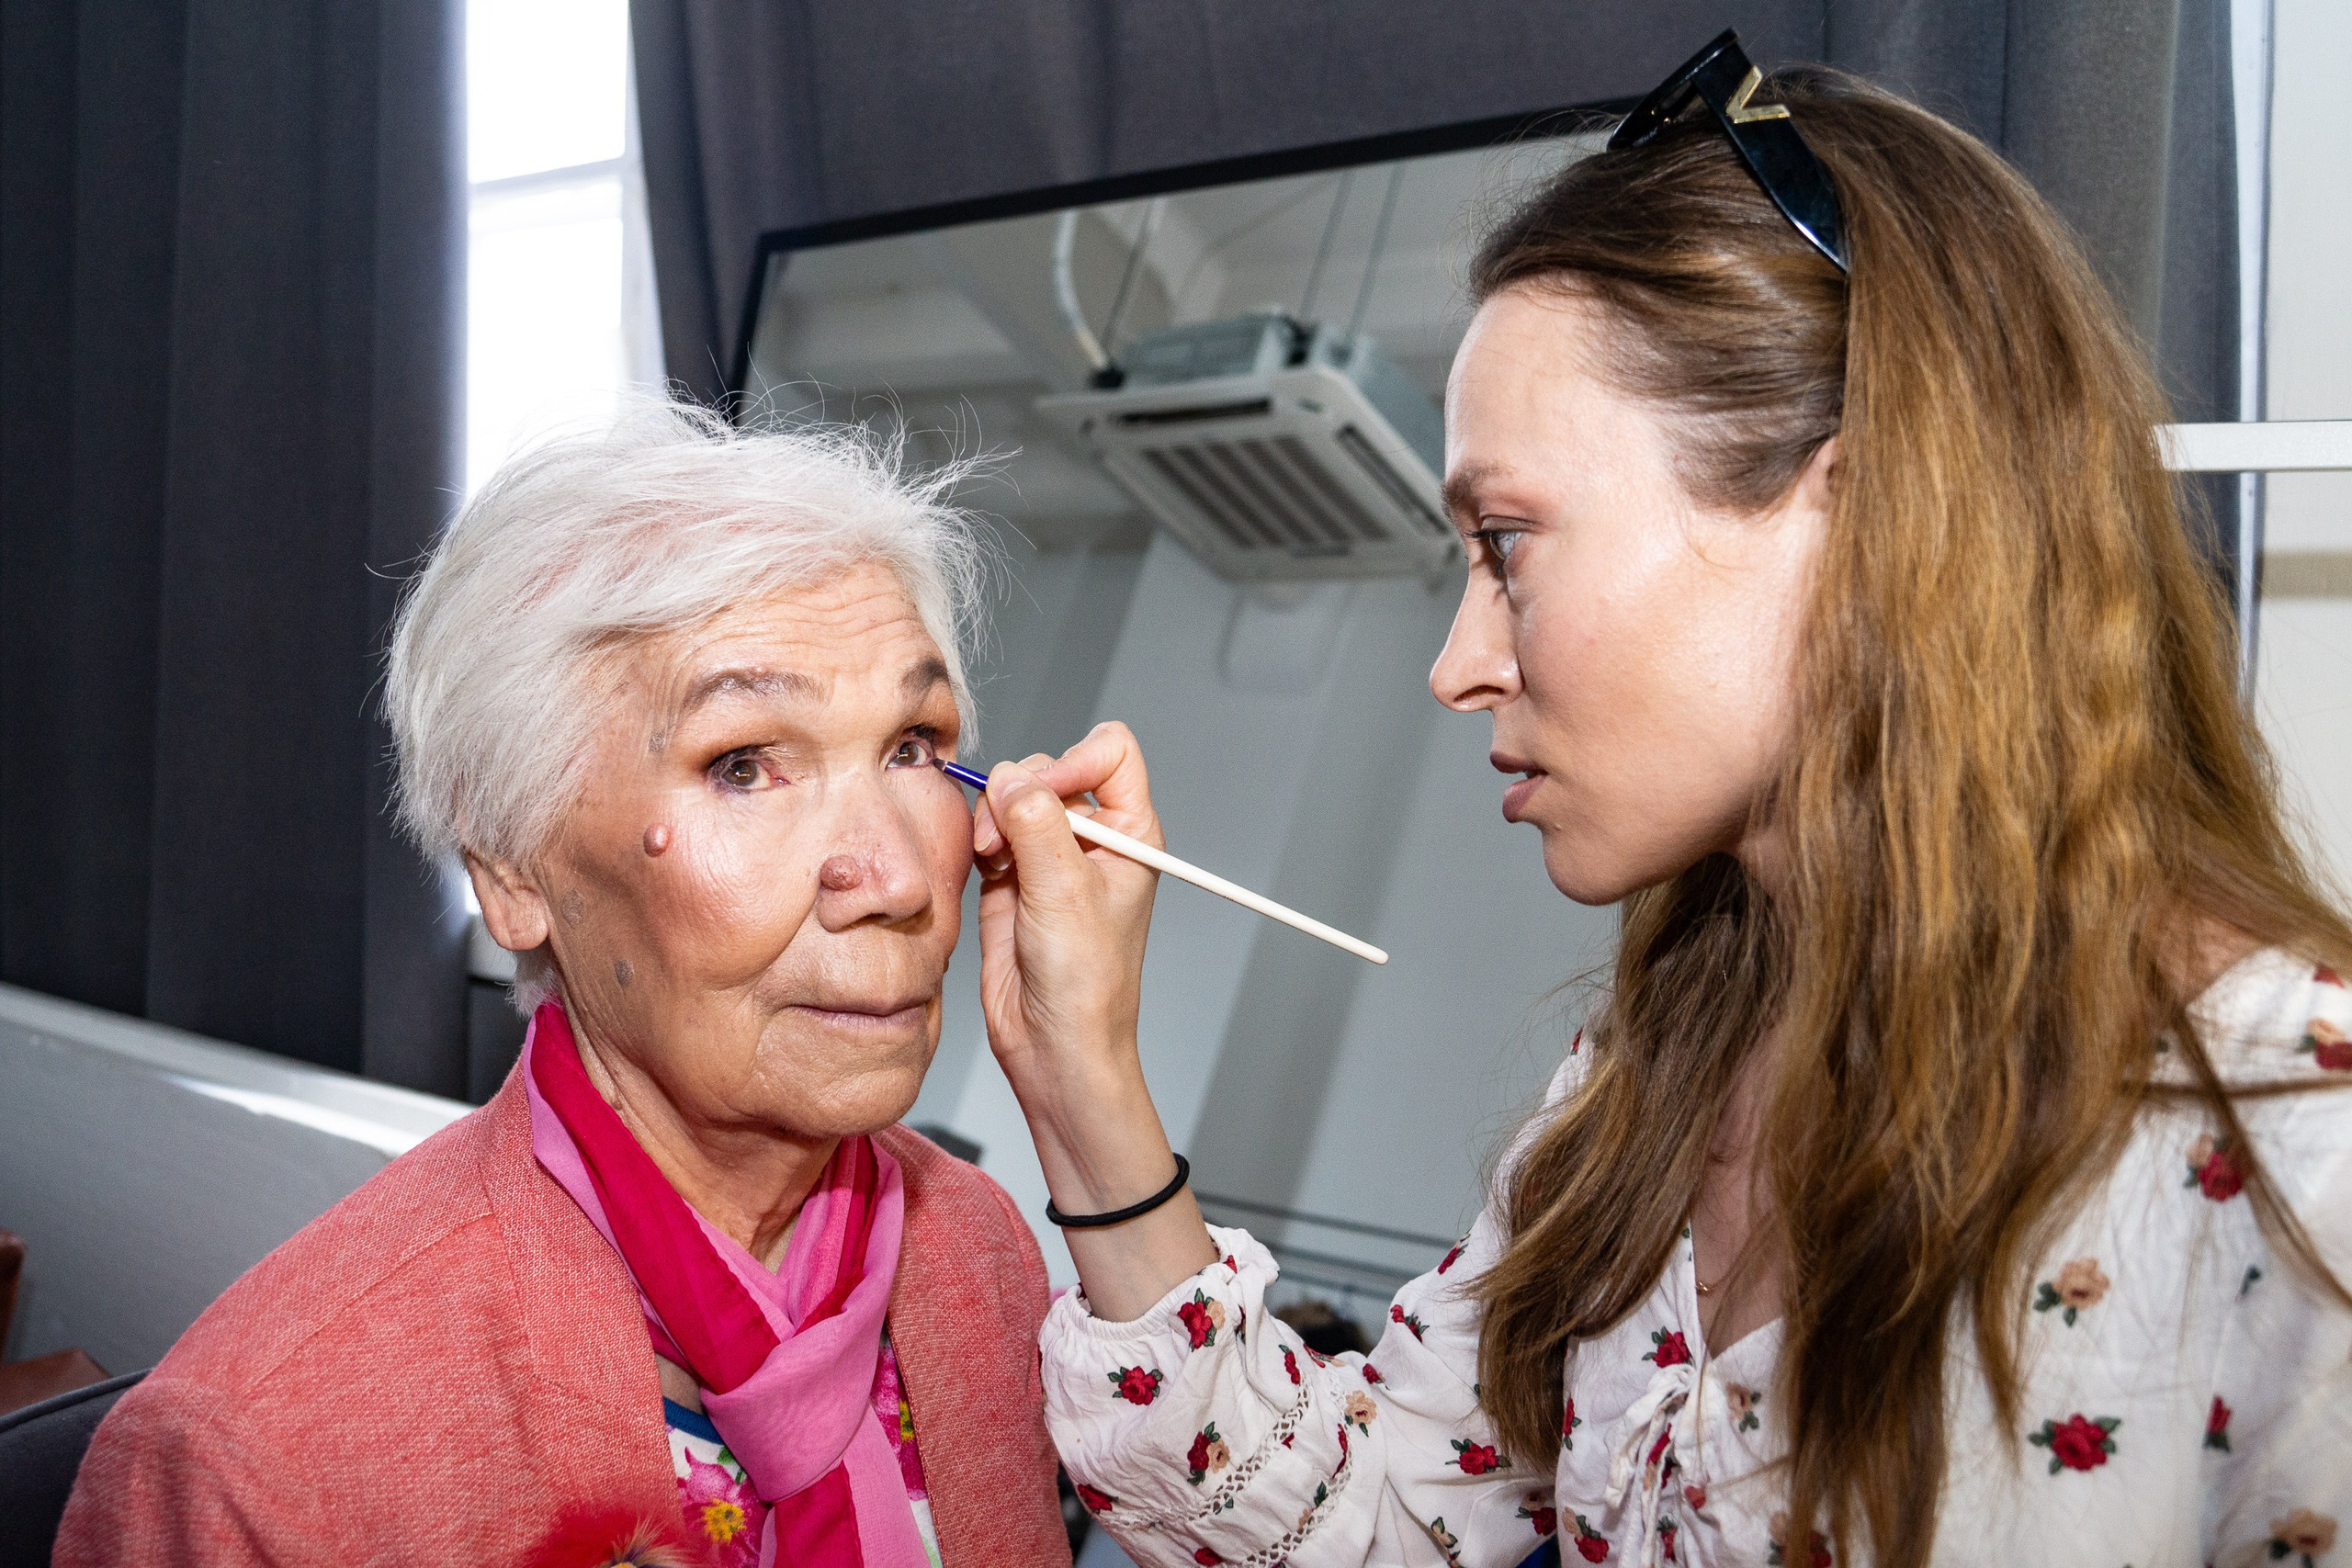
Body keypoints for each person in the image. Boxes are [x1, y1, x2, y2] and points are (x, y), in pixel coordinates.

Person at [962, 45, 2352, 1568]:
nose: (1458, 665)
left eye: (1506, 542)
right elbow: (1359, 1533)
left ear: (1858, 512)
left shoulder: (2301, 1154)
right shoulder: (1628, 1106)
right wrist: (1085, 1072)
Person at [54, 407, 1072, 1568]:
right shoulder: (257, 1464)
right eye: (742, 765)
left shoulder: (974, 1255)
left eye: (911, 746)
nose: (895, 877)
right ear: (513, 873)